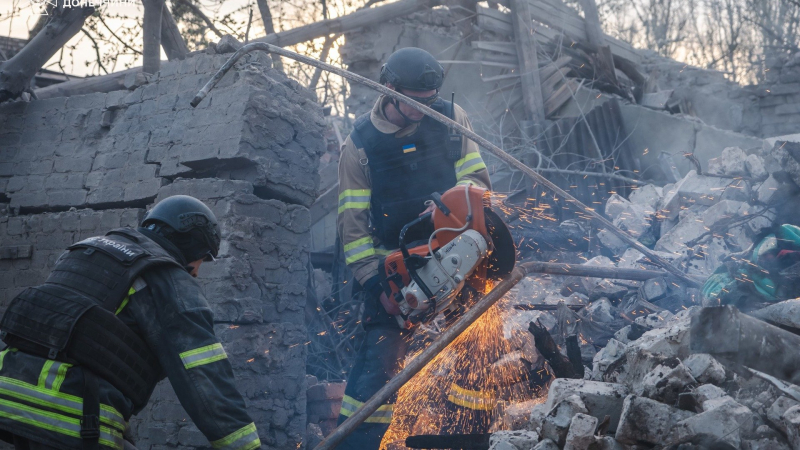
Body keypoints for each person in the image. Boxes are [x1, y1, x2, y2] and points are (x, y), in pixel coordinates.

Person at [0, 195, 261, 450]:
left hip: (10, 394)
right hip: (67, 412)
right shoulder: (166, 278)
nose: (196, 270)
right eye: (201, 259)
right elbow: (205, 376)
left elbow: (82, 341)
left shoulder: (84, 251)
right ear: (192, 244)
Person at [336, 47, 491, 449]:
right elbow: (351, 224)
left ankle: (466, 439)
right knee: (378, 365)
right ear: (389, 90)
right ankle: (356, 443)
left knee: (477, 347)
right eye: (415, 103)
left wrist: (455, 207)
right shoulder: (359, 146)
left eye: (431, 101)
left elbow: (477, 183)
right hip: (394, 266)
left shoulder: (450, 120)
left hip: (455, 255)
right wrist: (375, 285)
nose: (426, 110)